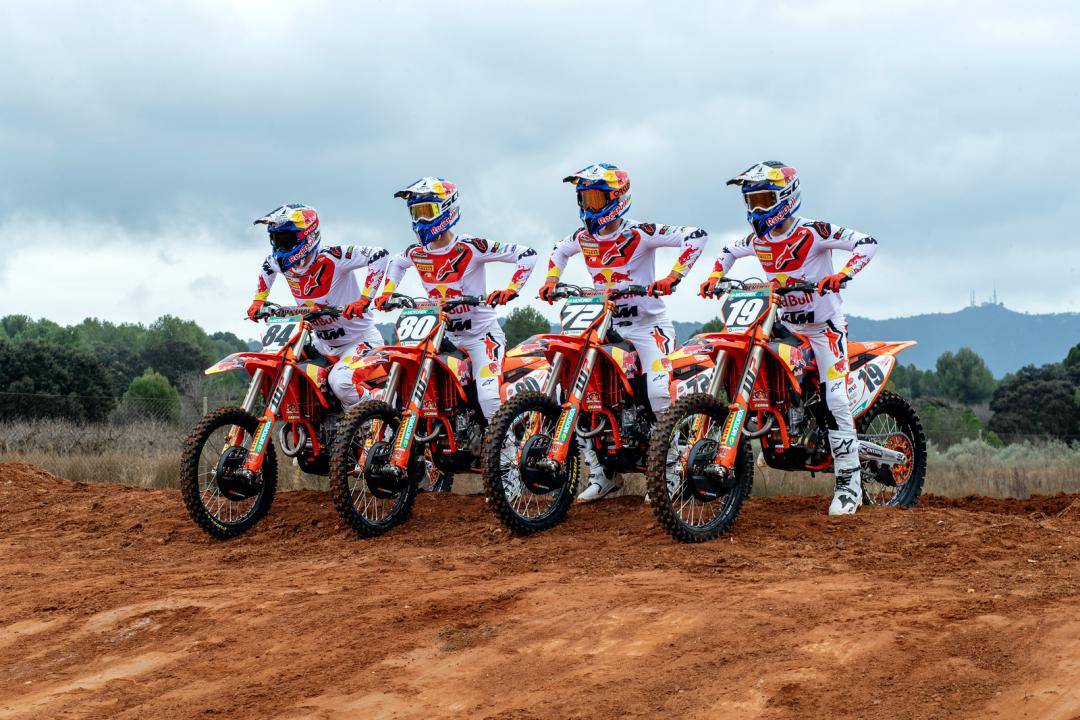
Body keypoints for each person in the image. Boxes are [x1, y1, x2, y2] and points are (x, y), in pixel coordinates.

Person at [699, 161, 879, 516]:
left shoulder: (813, 232)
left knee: (835, 398)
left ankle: (849, 483)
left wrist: (843, 273)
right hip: (783, 326)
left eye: (764, 200)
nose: (757, 209)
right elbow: (728, 251)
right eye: (751, 201)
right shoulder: (758, 240)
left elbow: (866, 243)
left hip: (824, 329)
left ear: (787, 197)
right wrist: (714, 276)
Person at [540, 163, 709, 501]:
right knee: (574, 392)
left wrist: (673, 276)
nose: (589, 206)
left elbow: (697, 235)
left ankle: (673, 471)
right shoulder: (582, 238)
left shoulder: (640, 233)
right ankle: (602, 474)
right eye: (584, 198)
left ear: (617, 198)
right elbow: (558, 249)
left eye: (596, 198)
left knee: (658, 392)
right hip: (605, 326)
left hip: (648, 327)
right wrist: (551, 280)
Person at [375, 178, 537, 421]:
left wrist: (511, 289)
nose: (420, 220)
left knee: (489, 398)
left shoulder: (471, 246)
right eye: (416, 212)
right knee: (410, 386)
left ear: (447, 209)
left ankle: (505, 447)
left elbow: (527, 254)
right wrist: (387, 292)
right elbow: (396, 263)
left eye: (427, 211)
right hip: (442, 336)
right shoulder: (416, 252)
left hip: (481, 335)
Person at [247, 203, 389, 408]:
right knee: (290, 373)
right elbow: (267, 266)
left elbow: (379, 254)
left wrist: (365, 299)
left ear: (308, 235)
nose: (280, 246)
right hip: (321, 344)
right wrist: (259, 300)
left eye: (286, 239)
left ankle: (379, 408)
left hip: (360, 341)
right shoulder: (280, 262)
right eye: (276, 239)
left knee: (340, 383)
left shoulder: (335, 256)